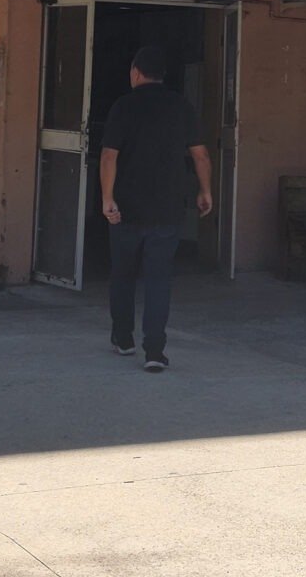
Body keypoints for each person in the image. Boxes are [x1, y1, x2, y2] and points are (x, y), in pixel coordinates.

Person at [100, 45, 213, 371]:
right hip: (167, 207)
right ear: (162, 76)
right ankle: (154, 351)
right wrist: (205, 190)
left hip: (126, 208)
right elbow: (201, 155)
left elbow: (109, 156)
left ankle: (123, 338)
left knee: (122, 275)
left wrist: (107, 198)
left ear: (136, 73)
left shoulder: (123, 106)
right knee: (158, 279)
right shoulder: (181, 106)